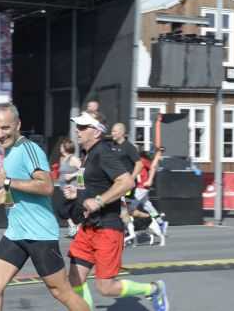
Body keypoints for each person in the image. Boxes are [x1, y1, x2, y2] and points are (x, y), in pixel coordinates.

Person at [0, 103, 90, 311]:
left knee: (61, 291)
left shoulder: (29, 149)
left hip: (39, 234)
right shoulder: (9, 152)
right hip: (16, 233)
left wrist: (7, 182)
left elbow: (47, 186)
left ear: (18, 125)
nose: (0, 134)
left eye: (5, 128)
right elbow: (18, 191)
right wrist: (6, 197)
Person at [63, 112, 169, 311]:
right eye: (78, 126)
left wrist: (99, 200)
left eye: (83, 127)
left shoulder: (103, 152)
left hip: (107, 229)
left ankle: (153, 289)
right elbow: (90, 183)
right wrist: (75, 193)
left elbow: (127, 181)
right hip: (88, 228)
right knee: (74, 278)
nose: (78, 130)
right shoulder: (87, 155)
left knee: (106, 287)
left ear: (96, 132)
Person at [58, 138, 82, 238]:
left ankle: (74, 227)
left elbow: (83, 170)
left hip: (73, 189)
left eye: (61, 146)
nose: (60, 147)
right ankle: (76, 228)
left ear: (65, 147)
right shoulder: (62, 159)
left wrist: (72, 175)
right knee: (67, 211)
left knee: (63, 209)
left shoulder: (73, 159)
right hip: (64, 190)